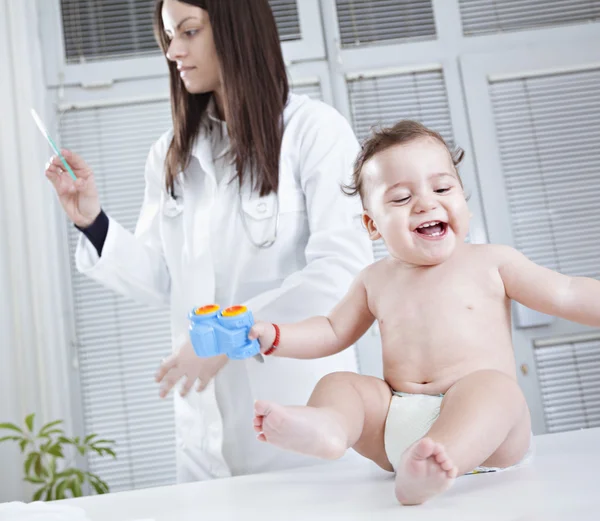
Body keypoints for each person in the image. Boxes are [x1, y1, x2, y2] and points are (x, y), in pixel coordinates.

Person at [45, 0, 373, 482]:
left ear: (238, 29)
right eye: (169, 37)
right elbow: (162, 279)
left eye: (189, 31)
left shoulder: (313, 132)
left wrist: (227, 337)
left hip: (298, 420)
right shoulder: (171, 154)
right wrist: (91, 221)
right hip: (204, 438)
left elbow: (340, 275)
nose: (174, 50)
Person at [248, 120, 600, 505]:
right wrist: (276, 336)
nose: (426, 203)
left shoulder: (493, 262)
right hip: (397, 422)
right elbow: (332, 330)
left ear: (462, 197)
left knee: (497, 389)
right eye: (400, 198)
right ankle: (331, 427)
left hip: (487, 436)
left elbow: (566, 293)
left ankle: (437, 462)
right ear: (372, 225)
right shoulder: (374, 279)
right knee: (341, 384)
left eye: (442, 188)